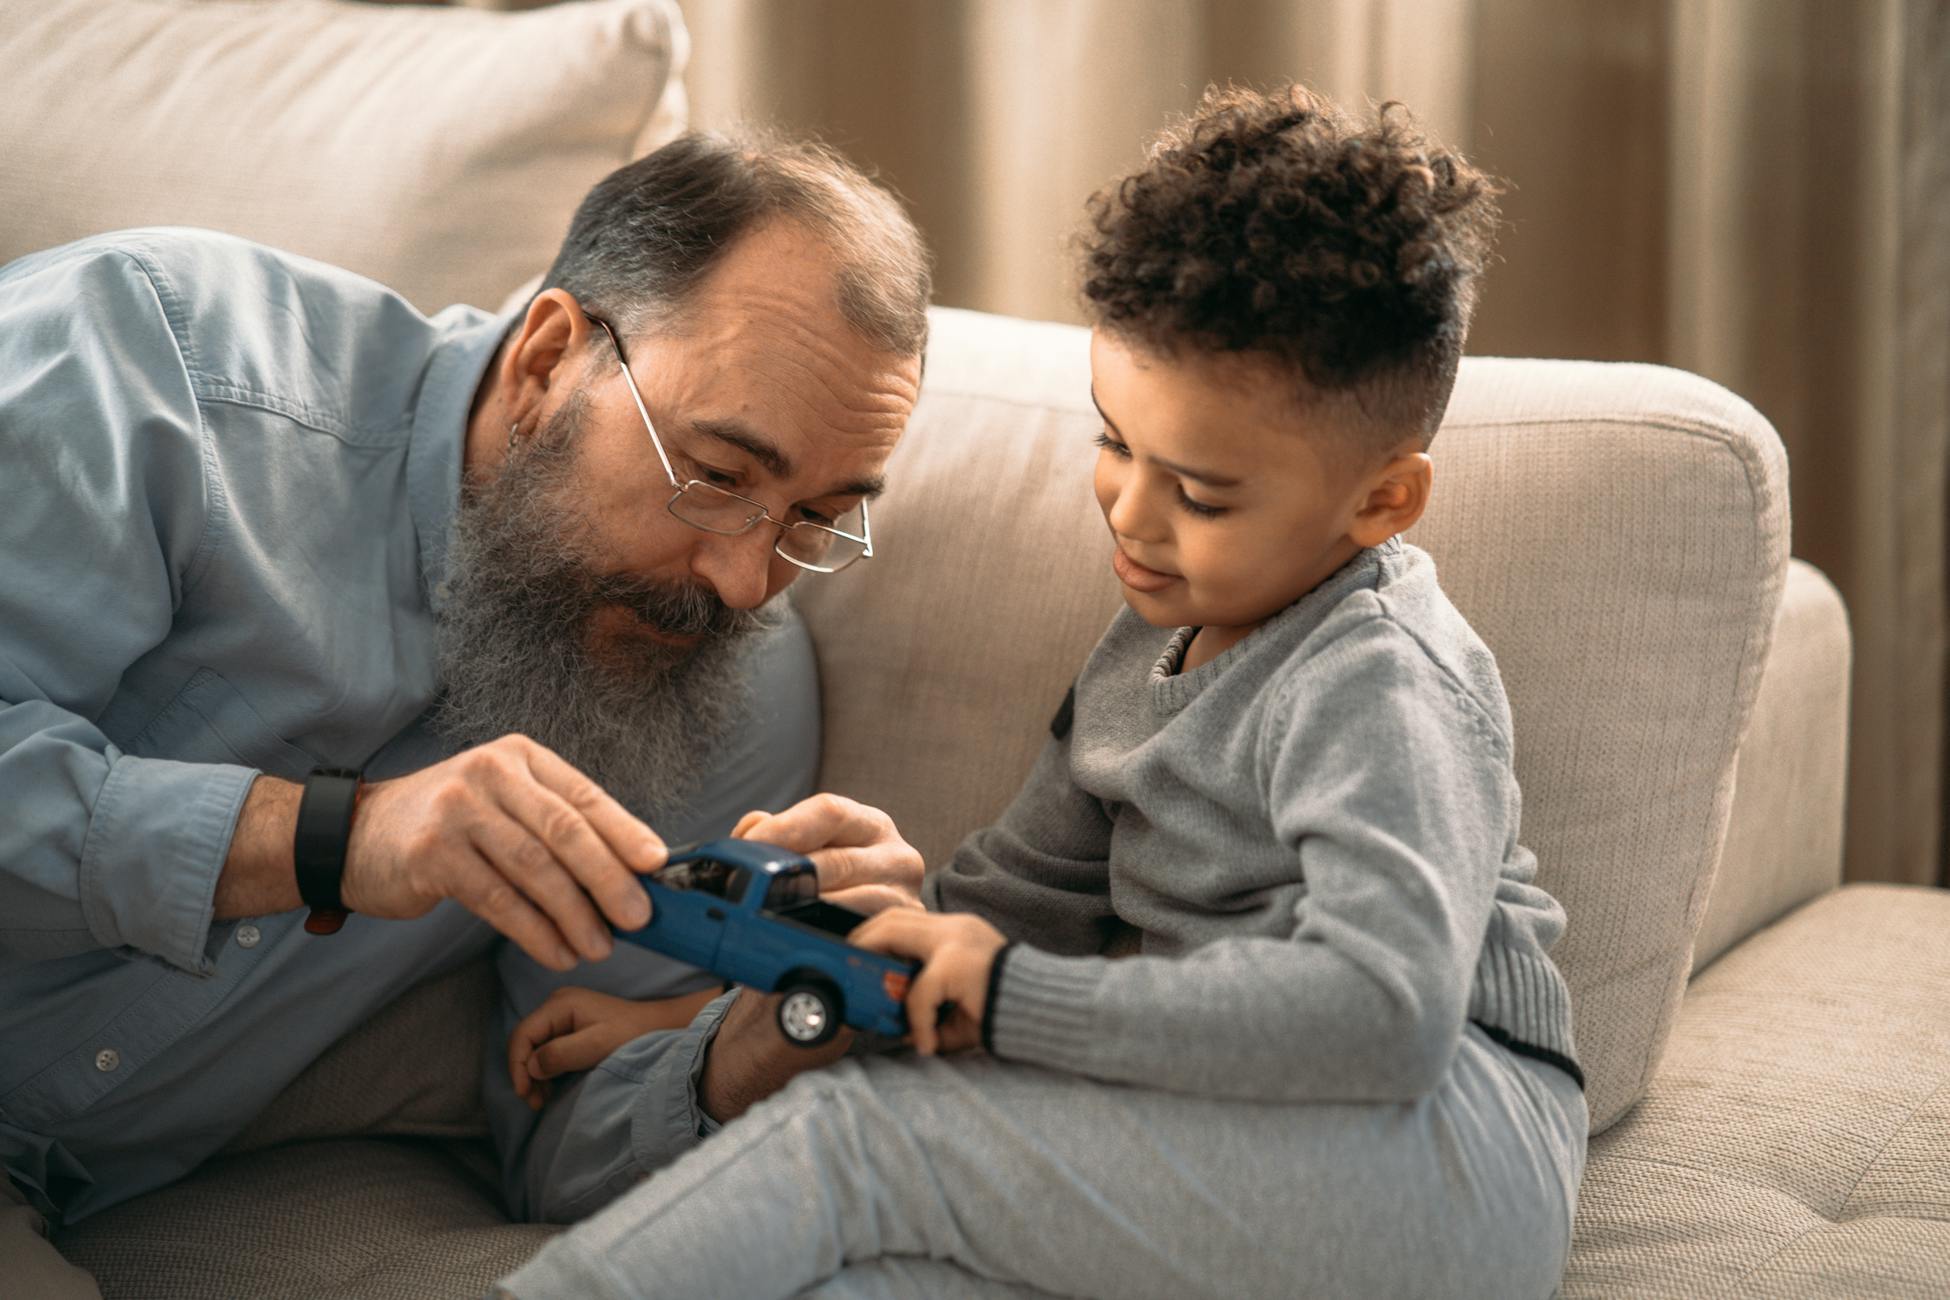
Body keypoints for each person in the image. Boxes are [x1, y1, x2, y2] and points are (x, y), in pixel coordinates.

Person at [495, 84, 1589, 1299]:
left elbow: (1383, 1014)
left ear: (1382, 501)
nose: (1129, 509)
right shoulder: (1145, 649)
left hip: (1440, 1159)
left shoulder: (1377, 675)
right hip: (1231, 1132)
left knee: (861, 1141)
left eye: (1204, 494)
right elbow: (1003, 905)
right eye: (1115, 442)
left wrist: (1012, 999)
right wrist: (701, 1015)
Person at [0, 130, 932, 1294]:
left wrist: (737, 1057)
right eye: (718, 476)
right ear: (549, 359)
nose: (745, 583)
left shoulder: (725, 675)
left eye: (816, 518)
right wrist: (327, 838)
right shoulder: (151, 362)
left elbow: (559, 1142)